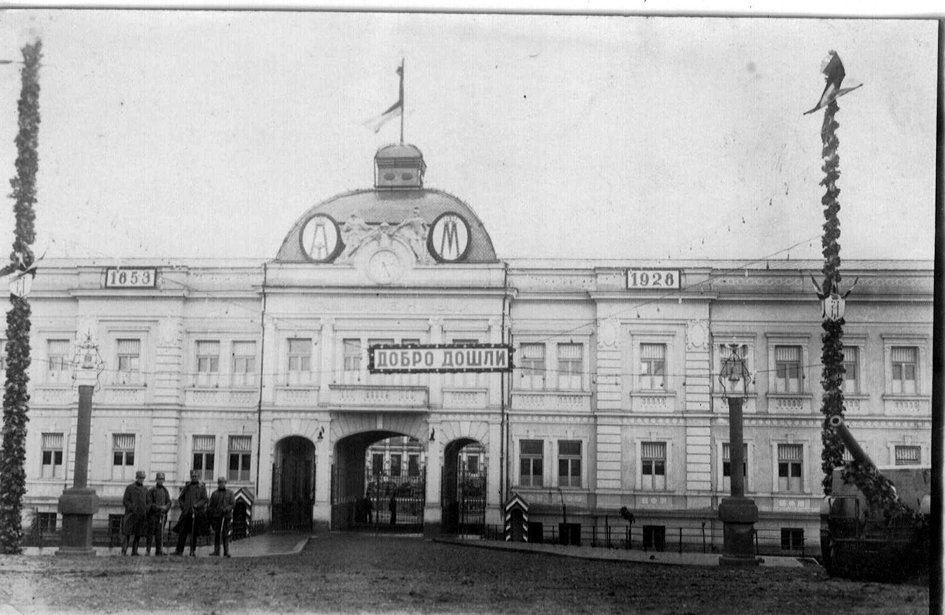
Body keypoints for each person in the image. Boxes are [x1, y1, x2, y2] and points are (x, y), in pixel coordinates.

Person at [174, 470, 208, 556]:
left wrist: (197, 505)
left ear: (198, 477)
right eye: (192, 476)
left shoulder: (202, 487)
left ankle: (192, 550)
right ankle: (179, 550)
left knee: (194, 533)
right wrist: (184, 507)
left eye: (196, 476)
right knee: (182, 532)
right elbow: (180, 498)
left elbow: (204, 499)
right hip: (186, 513)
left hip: (196, 513)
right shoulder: (187, 487)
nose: (194, 478)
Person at [121, 470, 150, 556]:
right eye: (140, 478)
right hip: (131, 515)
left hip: (141, 515)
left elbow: (148, 502)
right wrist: (132, 508)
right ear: (136, 478)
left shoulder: (145, 490)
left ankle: (134, 551)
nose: (141, 480)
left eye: (143, 478)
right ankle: (124, 551)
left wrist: (146, 509)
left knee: (138, 534)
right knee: (127, 534)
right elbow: (125, 501)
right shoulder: (130, 488)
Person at [207, 476, 235, 557]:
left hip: (226, 517)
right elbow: (211, 505)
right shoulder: (214, 494)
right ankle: (216, 551)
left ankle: (226, 551)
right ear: (218, 483)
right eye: (220, 482)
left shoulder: (230, 493)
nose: (221, 484)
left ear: (225, 483)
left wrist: (226, 509)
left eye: (223, 482)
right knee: (217, 534)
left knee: (225, 534)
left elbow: (233, 504)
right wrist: (212, 515)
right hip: (217, 517)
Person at [146, 472, 172, 556]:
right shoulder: (152, 490)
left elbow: (169, 502)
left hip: (162, 516)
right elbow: (149, 503)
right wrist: (159, 508)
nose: (161, 481)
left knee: (159, 534)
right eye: (159, 479)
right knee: (150, 533)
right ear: (156, 480)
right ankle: (148, 550)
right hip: (153, 515)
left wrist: (166, 508)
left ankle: (159, 550)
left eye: (162, 479)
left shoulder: (165, 490)